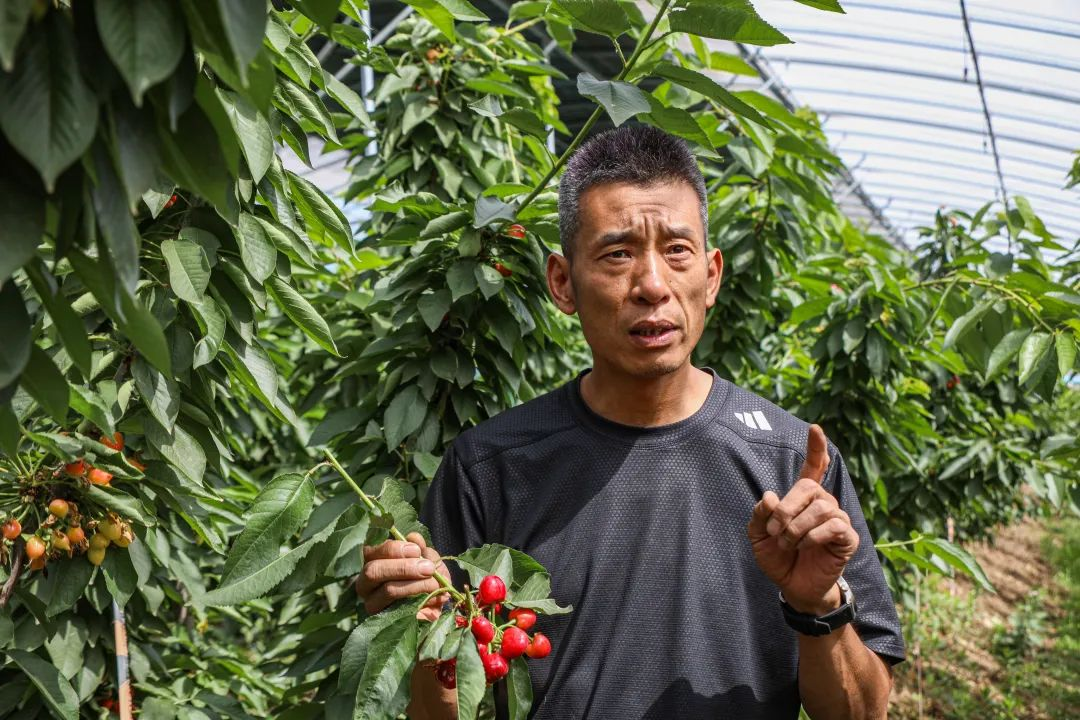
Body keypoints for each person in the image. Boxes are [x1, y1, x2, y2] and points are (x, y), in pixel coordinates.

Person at [357, 124, 905, 719]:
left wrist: (817, 604)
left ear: (711, 276)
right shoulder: (492, 467)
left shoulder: (792, 464)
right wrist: (424, 629)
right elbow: (441, 707)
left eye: (677, 250)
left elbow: (863, 713)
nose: (652, 285)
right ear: (563, 282)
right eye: (617, 253)